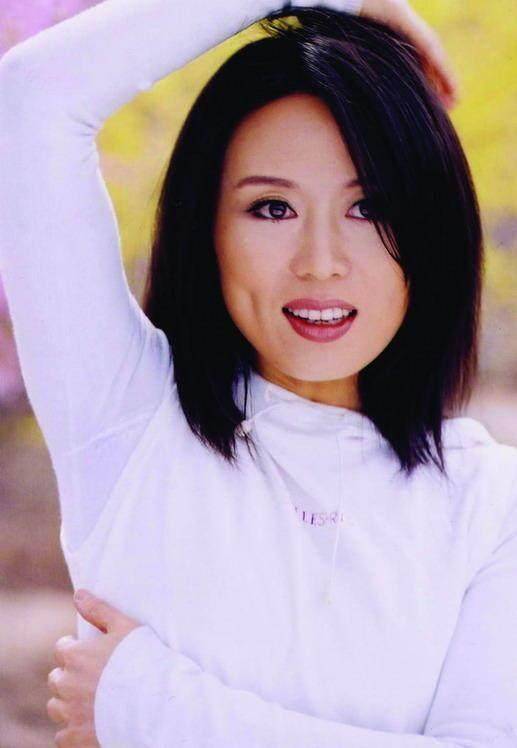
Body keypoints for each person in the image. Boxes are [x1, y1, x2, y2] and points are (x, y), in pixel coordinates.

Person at [0, 0, 515, 746]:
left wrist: (151, 708)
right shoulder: (129, 417)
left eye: (369, 207)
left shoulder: (489, 504)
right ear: (207, 229)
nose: (320, 262)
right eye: (271, 208)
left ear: (432, 229)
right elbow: (32, 99)